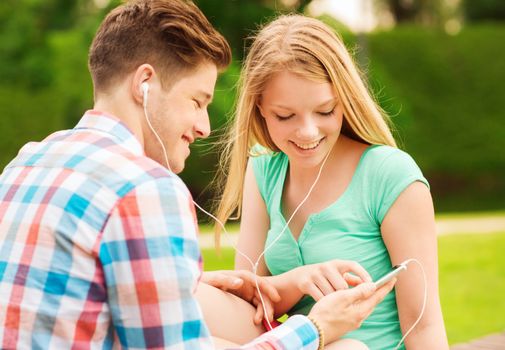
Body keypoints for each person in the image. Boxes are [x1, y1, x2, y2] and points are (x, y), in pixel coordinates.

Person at [0, 1, 395, 349]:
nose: (205, 126)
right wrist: (315, 329)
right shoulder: (145, 188)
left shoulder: (27, 163)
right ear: (145, 84)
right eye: (197, 101)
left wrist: (194, 283)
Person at [211, 14, 449, 349]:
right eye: (285, 115)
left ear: (345, 100)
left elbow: (423, 323)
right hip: (298, 341)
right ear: (259, 108)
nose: (307, 132)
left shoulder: (389, 175)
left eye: (325, 111)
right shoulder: (264, 168)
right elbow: (252, 301)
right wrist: (300, 281)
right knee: (199, 300)